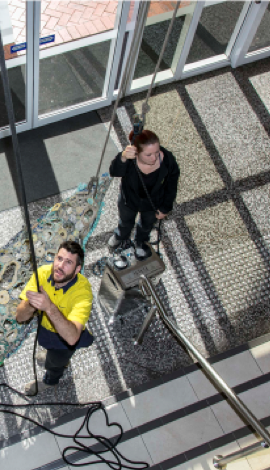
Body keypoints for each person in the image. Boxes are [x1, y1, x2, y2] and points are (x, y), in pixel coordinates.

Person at [15, 240, 94, 394]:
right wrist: (32, 304)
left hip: (65, 340)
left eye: (68, 262)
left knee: (55, 363)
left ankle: (50, 381)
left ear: (78, 269)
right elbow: (20, 317)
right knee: (48, 349)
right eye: (59, 258)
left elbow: (72, 338)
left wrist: (49, 307)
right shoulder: (43, 273)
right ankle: (50, 356)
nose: (60, 266)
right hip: (46, 330)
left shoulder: (83, 293)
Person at [108, 129, 180, 261]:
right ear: (137, 152)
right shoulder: (129, 160)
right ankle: (120, 236)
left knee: (146, 225)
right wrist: (123, 157)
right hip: (129, 200)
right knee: (125, 222)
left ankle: (141, 242)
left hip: (153, 203)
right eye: (148, 155)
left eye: (157, 152)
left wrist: (165, 208)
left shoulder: (168, 160)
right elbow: (114, 171)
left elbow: (172, 185)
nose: (154, 158)